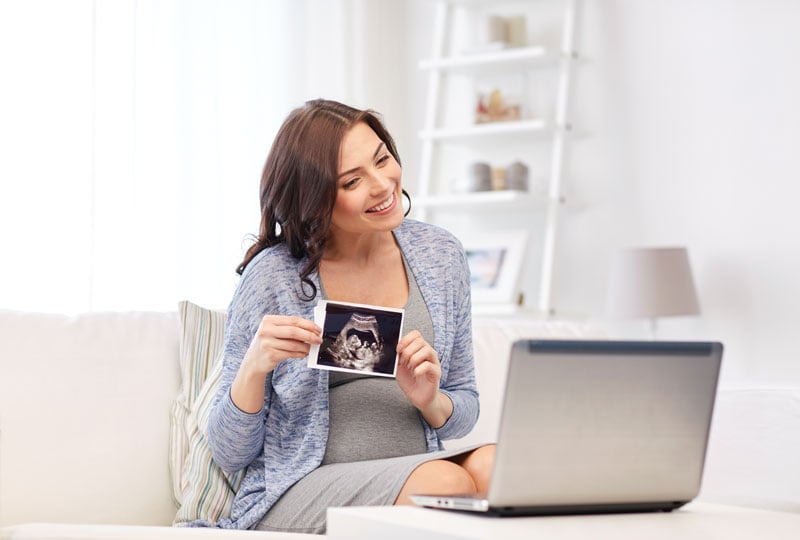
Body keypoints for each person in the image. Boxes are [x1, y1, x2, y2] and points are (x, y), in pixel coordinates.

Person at [207, 99, 495, 534]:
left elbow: (464, 409)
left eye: (383, 159)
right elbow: (230, 453)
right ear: (315, 199)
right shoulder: (275, 275)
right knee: (445, 483)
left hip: (416, 464)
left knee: (498, 468)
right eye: (352, 181)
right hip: (300, 486)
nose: (382, 185)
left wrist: (429, 399)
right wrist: (253, 366)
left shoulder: (441, 255)